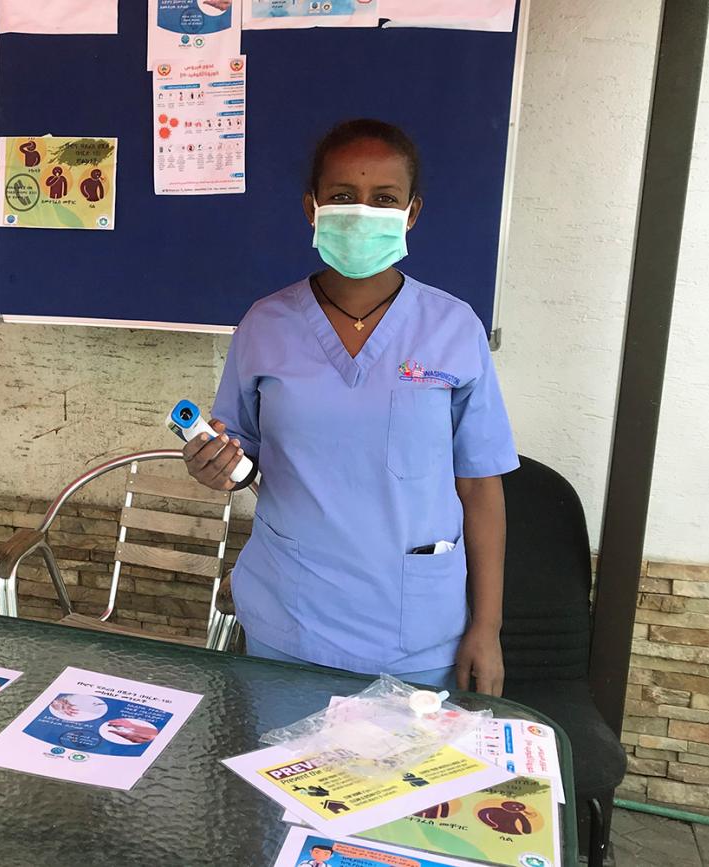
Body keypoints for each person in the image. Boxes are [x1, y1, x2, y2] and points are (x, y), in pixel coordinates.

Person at [184, 119, 517, 695]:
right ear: (312, 208)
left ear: (411, 213)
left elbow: (481, 486)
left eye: (383, 199)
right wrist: (214, 467)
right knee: (283, 778)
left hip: (417, 632)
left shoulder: (453, 328)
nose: (361, 212)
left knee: (408, 781)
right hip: (291, 619)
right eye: (342, 196)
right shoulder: (266, 325)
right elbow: (240, 455)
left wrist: (486, 628)